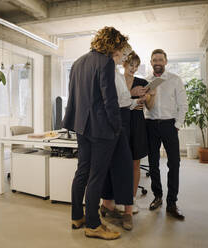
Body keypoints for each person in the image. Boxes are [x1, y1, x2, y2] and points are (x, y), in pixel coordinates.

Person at [62, 26, 129, 240]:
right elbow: (110, 99)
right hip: (101, 129)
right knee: (96, 176)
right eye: (119, 46)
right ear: (113, 44)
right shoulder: (106, 62)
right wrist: (117, 126)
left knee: (82, 171)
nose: (119, 51)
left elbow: (73, 96)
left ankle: (77, 217)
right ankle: (92, 224)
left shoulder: (78, 62)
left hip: (82, 126)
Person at [100, 45, 141, 231]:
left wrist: (134, 102)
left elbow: (122, 101)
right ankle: (108, 205)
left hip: (122, 118)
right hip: (113, 120)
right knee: (111, 165)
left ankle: (127, 212)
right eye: (124, 54)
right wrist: (131, 100)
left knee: (124, 165)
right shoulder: (108, 71)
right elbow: (110, 101)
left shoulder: (116, 72)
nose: (124, 58)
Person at [145, 49, 187, 220]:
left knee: (174, 163)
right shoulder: (146, 81)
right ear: (151, 62)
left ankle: (172, 202)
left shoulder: (175, 80)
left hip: (169, 125)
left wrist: (176, 125)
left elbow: (183, 105)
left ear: (166, 61)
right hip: (151, 125)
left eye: (160, 59)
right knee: (153, 163)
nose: (158, 62)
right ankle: (158, 197)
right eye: (155, 59)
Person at [125, 52, 156, 213]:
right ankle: (117, 197)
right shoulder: (117, 81)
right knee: (120, 163)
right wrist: (133, 98)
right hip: (121, 124)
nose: (134, 69)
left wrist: (149, 97)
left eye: (137, 66)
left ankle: (132, 198)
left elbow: (149, 106)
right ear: (124, 63)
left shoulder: (142, 82)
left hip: (137, 124)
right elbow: (114, 103)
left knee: (135, 162)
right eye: (131, 65)